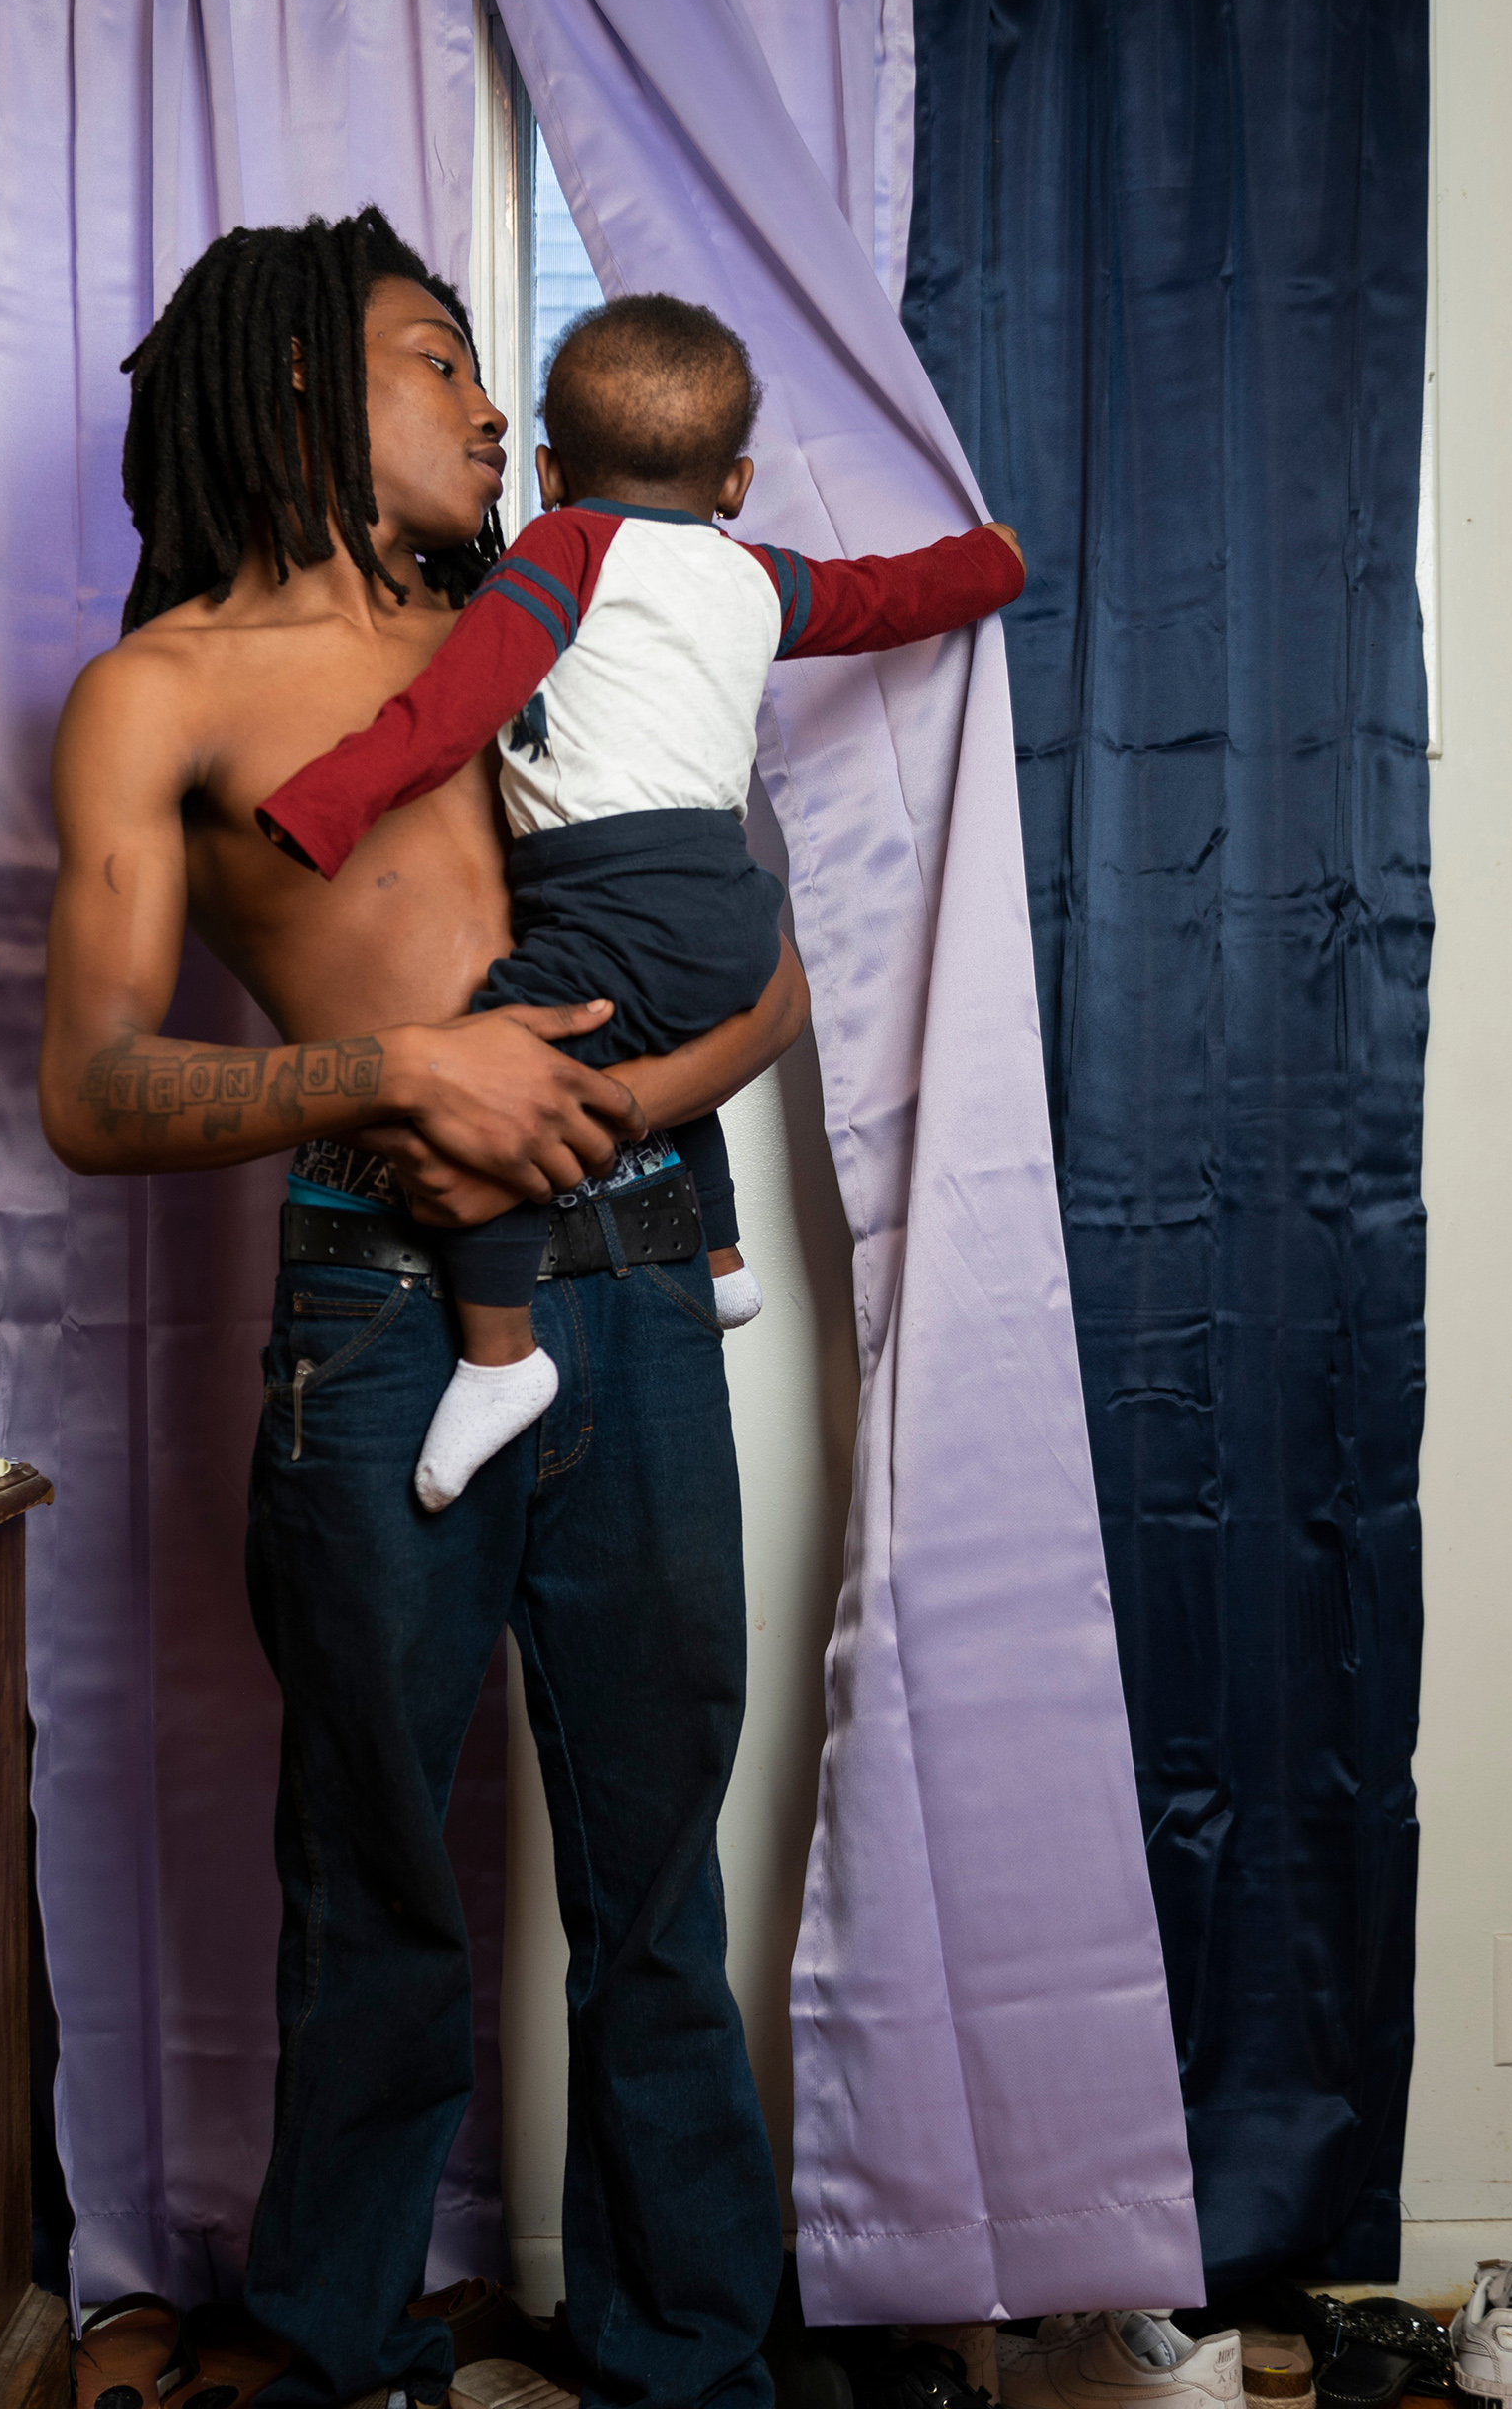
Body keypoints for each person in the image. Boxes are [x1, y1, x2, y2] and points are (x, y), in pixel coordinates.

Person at [38, 206, 835, 2409]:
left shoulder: (578, 615)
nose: (491, 407)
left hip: (627, 1288)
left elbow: (761, 969)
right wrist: (403, 1068)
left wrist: (589, 1116)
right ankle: (359, 2398)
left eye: (490, 367)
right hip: (374, 1327)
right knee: (368, 1886)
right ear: (296, 390)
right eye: (432, 359)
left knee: (645, 1901)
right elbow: (86, 1081)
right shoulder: (154, 690)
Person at [257, 291, 1025, 1510]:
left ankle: (499, 1359)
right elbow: (885, 598)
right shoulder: (752, 575)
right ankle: (716, 1254)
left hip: (607, 893)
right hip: (724, 905)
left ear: (551, 470)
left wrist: (326, 805)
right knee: (649, 1024)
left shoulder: (563, 550)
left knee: (498, 1056)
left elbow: (457, 702)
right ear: (735, 482)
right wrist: (989, 564)